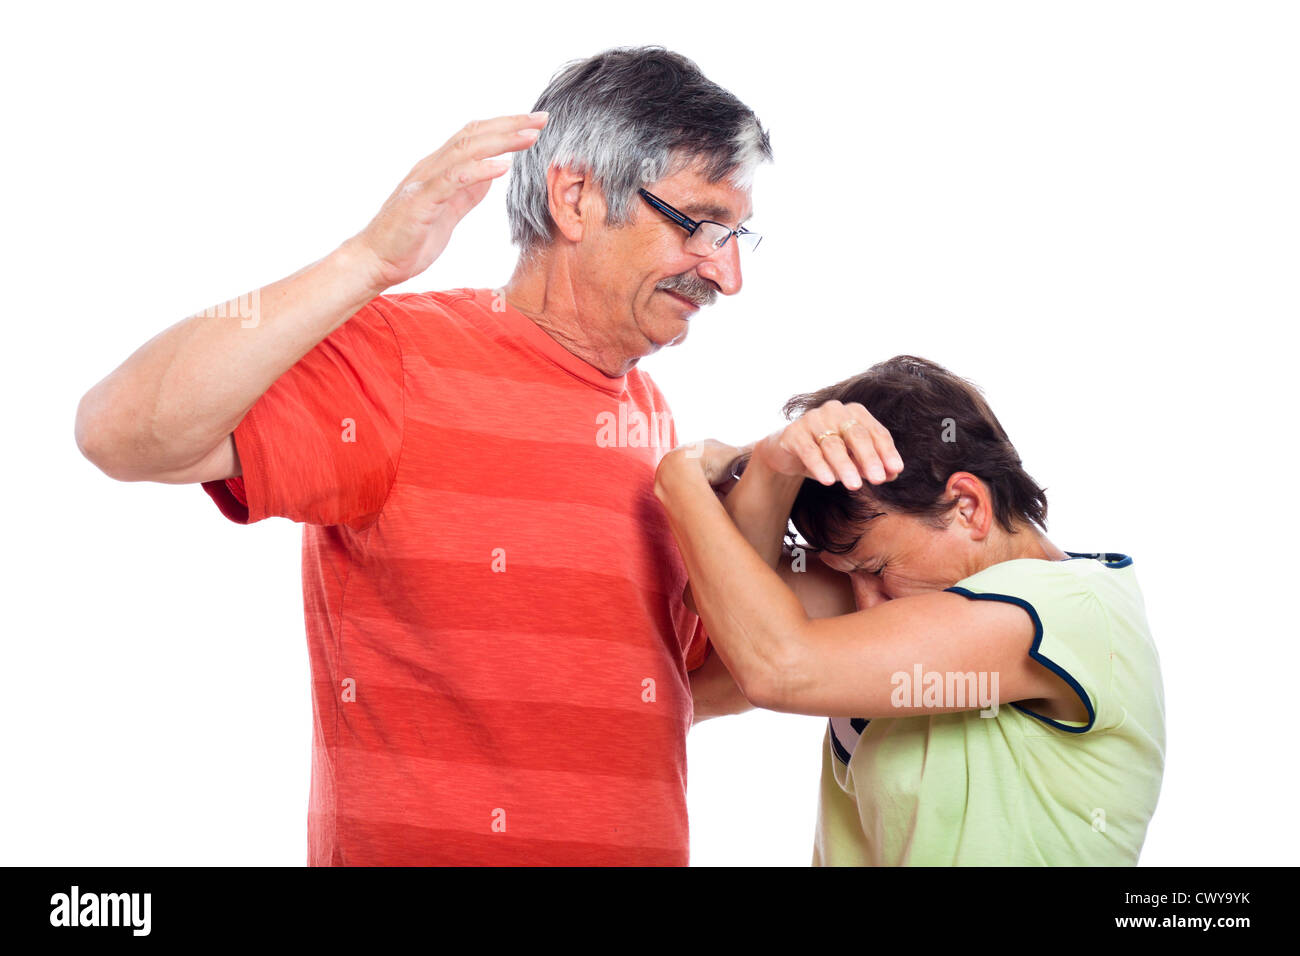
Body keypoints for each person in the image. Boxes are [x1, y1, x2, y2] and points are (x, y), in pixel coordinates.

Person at [74, 46, 771, 865]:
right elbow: (118, 431)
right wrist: (367, 260)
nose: (727, 275)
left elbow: (671, 685)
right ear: (576, 197)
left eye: (738, 236)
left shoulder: (648, 417)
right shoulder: (400, 361)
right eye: (699, 225)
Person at [655, 355, 1166, 865]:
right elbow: (717, 592)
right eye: (849, 570)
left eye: (876, 567)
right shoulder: (934, 591)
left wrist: (679, 477)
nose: (864, 600)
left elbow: (777, 668)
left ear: (968, 506)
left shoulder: (1067, 608)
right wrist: (774, 464)